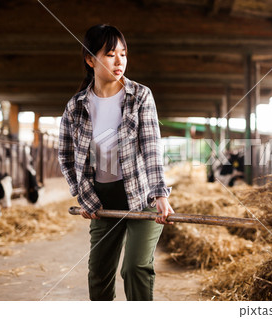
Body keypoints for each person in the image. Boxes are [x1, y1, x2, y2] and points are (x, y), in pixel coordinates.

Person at [58, 24, 174, 301]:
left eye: (123, 53)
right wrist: (83, 194)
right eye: (110, 54)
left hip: (141, 194)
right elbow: (65, 154)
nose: (119, 61)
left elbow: (151, 146)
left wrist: (160, 194)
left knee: (135, 268)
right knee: (98, 272)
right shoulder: (76, 106)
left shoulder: (140, 96)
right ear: (90, 59)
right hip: (103, 198)